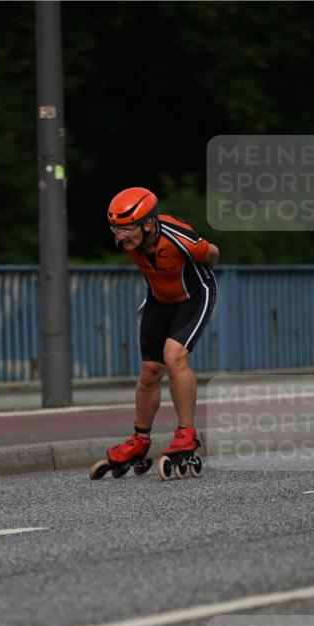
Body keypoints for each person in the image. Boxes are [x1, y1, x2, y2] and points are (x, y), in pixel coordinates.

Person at [105, 186, 219, 468]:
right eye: (115, 230)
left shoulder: (180, 237)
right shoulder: (127, 240)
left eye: (127, 229)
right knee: (149, 372)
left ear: (148, 223)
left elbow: (213, 254)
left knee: (174, 356)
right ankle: (140, 439)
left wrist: (200, 273)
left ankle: (186, 433)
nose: (120, 237)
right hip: (158, 300)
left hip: (194, 295)